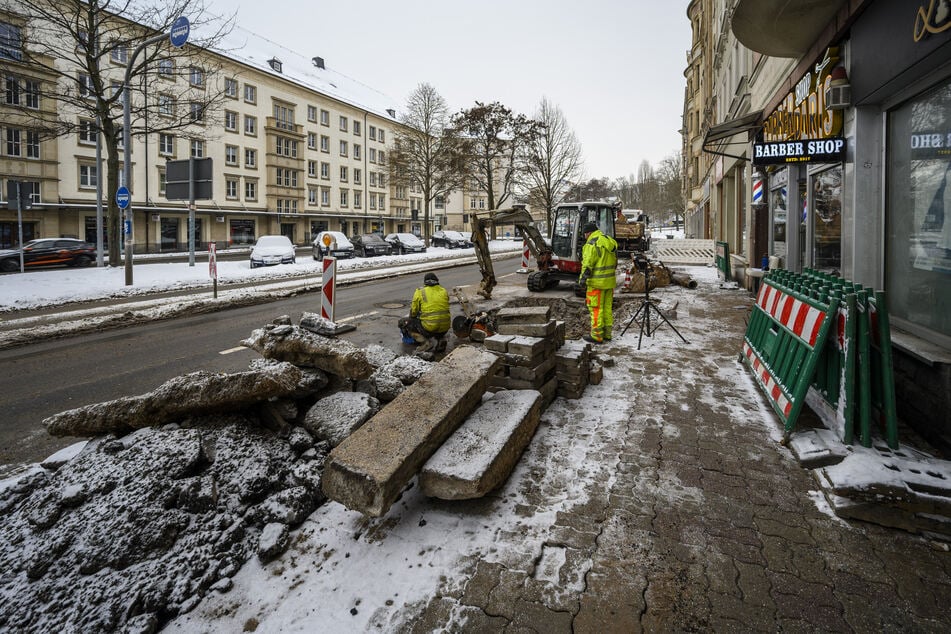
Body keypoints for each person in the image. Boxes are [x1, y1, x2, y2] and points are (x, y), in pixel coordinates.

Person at [579, 221, 618, 344]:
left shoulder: (592, 243)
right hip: (609, 282)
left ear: (588, 233)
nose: (585, 236)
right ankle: (607, 334)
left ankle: (596, 336)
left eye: (585, 234)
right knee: (607, 308)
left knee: (596, 309)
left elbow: (587, 265)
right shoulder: (609, 241)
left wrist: (582, 280)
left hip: (596, 283)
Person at [399, 272, 451, 353]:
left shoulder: (420, 291)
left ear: (425, 282)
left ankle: (425, 343)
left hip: (430, 328)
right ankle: (441, 339)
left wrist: (411, 319)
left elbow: (413, 312)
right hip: (445, 327)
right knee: (439, 321)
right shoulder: (444, 290)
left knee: (407, 323)